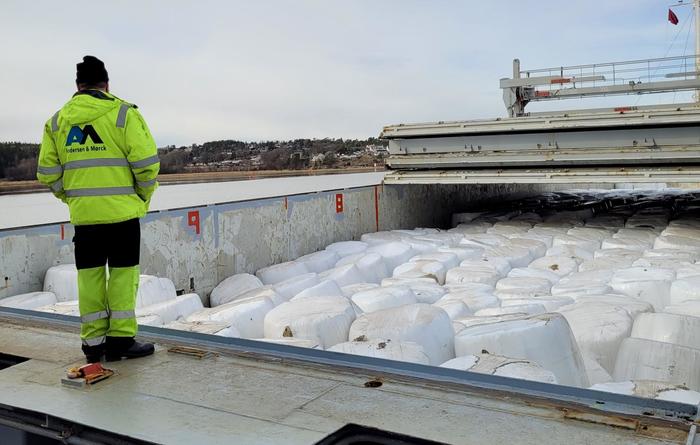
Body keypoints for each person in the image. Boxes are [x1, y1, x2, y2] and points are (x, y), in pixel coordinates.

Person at [36, 56, 159, 363]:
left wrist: (74, 197)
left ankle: (93, 344)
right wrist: (140, 198)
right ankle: (120, 342)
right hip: (123, 216)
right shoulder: (123, 115)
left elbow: (48, 173)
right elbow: (146, 166)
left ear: (77, 86)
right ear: (106, 84)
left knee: (88, 278)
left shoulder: (56, 122)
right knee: (122, 276)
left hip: (85, 219)